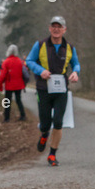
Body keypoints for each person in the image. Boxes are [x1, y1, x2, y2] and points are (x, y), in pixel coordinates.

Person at [26, 16, 80, 167]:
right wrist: (41, 70)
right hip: (43, 89)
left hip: (61, 89)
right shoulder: (40, 45)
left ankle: (52, 154)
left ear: (64, 29)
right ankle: (44, 134)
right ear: (49, 28)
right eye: (54, 26)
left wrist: (75, 73)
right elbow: (29, 61)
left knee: (58, 122)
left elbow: (76, 64)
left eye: (59, 27)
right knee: (45, 123)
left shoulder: (69, 47)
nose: (56, 29)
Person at [0, 45, 27, 122]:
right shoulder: (20, 61)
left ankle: (7, 118)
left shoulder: (6, 62)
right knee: (18, 100)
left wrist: (0, 85)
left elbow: (3, 75)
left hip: (9, 85)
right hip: (19, 84)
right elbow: (24, 73)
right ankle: (23, 115)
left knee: (7, 101)